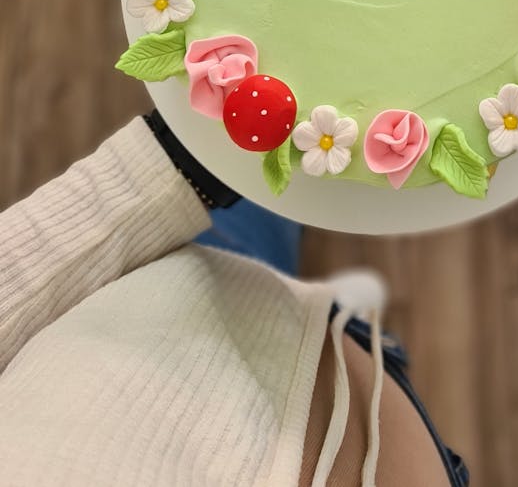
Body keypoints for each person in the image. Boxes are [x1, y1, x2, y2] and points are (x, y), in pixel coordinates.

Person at [0, 112, 470, 485]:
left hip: (192, 305)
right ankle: (365, 339)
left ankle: (352, 329)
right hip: (375, 422)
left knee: (278, 184)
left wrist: (181, 160)